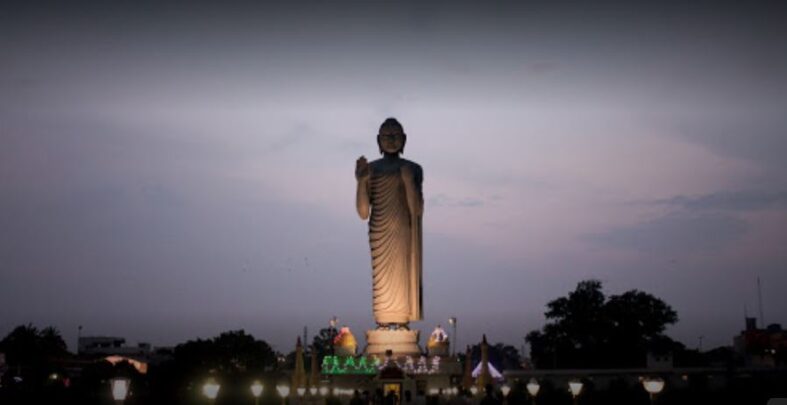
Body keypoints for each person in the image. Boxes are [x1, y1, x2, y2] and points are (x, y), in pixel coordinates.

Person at [356, 118, 424, 328]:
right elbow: (363, 213)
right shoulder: (371, 169)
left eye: (396, 136)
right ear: (378, 140)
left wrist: (408, 181)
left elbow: (417, 210)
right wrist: (361, 182)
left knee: (401, 275)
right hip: (379, 229)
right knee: (382, 278)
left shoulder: (413, 168)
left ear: (404, 139)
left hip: (403, 230)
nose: (391, 140)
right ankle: (383, 320)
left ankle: (402, 319)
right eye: (386, 136)